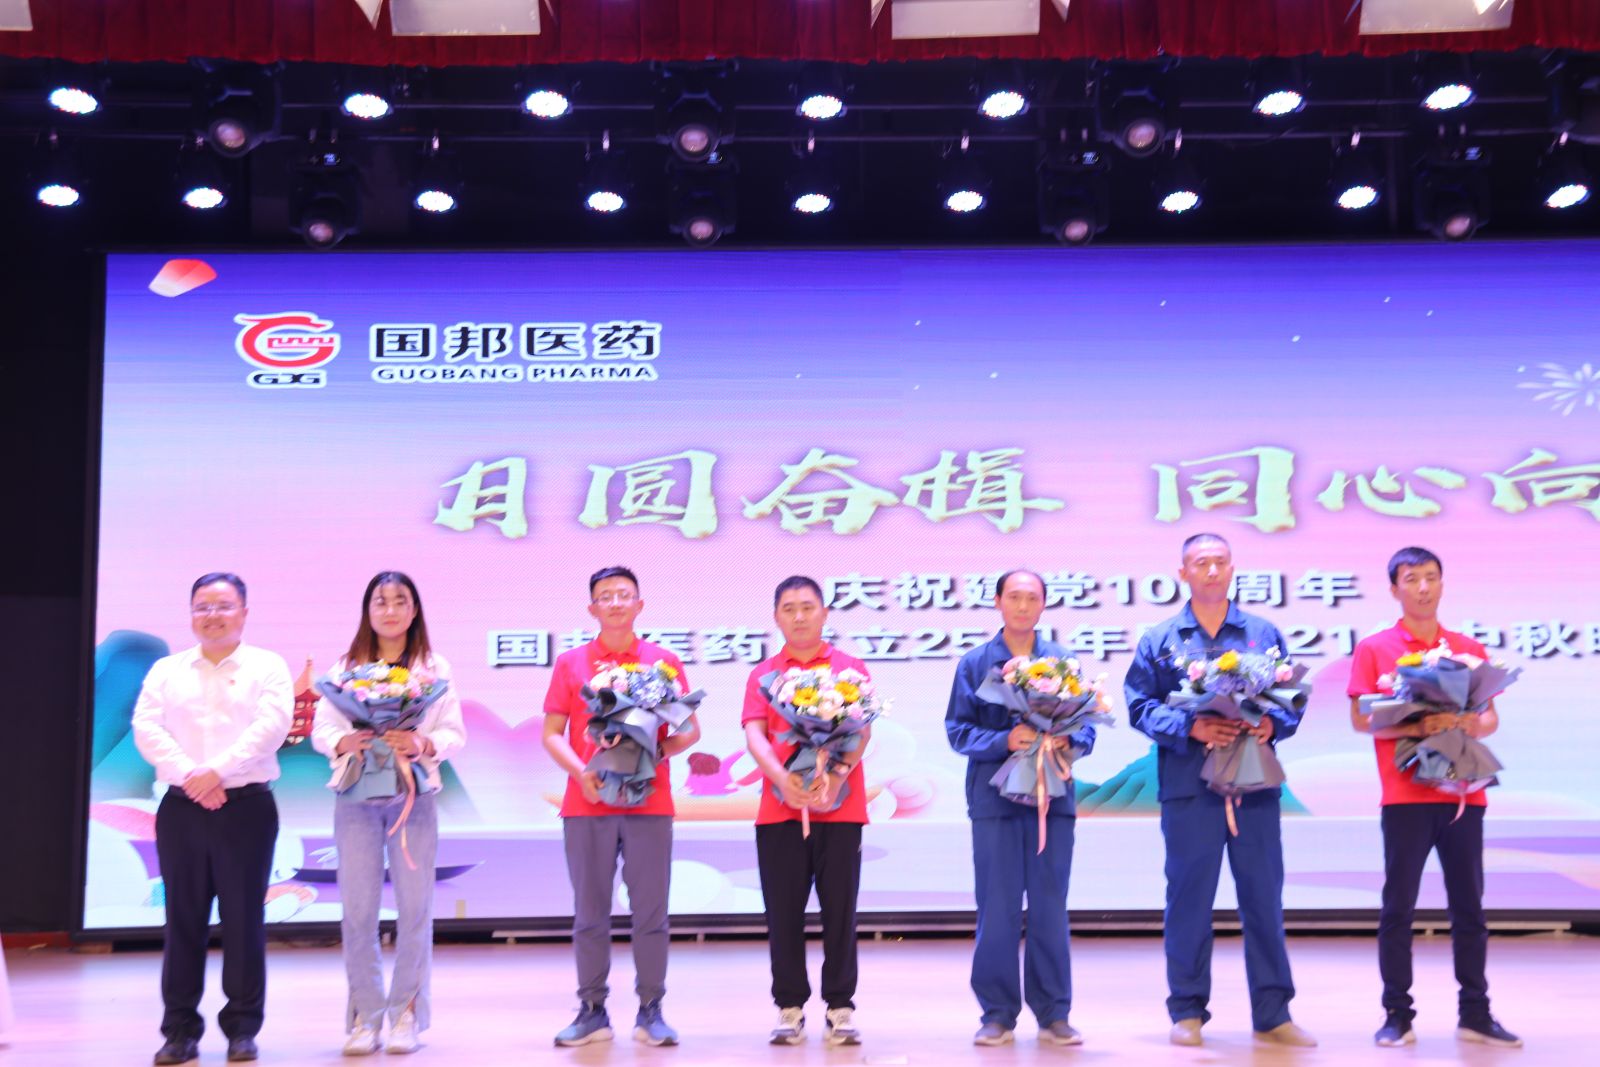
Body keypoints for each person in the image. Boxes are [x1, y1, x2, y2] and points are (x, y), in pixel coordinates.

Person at [1124, 534, 1315, 1048]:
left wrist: (1271, 724)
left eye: (1220, 562)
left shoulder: (1262, 632)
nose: (1211, 570)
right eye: (1200, 563)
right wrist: (1191, 727)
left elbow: (1290, 700)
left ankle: (1273, 1013)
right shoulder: (1161, 639)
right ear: (1182, 572)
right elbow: (1139, 706)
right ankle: (1187, 1011)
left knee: (1263, 898)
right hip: (1190, 788)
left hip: (1254, 785)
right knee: (1188, 900)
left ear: (1233, 569)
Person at [1347, 547, 1521, 1049]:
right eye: (1411, 578)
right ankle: (1397, 1015)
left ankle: (1476, 1013)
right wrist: (1417, 724)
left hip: (1463, 792)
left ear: (1442, 584)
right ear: (1394, 589)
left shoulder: (1466, 648)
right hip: (1404, 795)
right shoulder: (1375, 648)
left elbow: (1490, 718)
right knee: (1398, 908)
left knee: (1469, 908)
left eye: (1430, 577)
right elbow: (1361, 719)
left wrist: (1465, 721)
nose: (1422, 587)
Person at [132, 572, 293, 1065]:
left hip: (246, 808)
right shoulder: (167, 670)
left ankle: (242, 1028)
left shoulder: (268, 666)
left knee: (244, 919)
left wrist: (216, 772)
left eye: (223, 606)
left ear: (244, 612)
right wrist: (192, 776)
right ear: (191, 614)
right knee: (183, 919)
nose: (213, 615)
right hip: (181, 807)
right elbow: (146, 727)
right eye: (203, 606)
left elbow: (271, 727)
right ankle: (179, 1030)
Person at [542, 566, 702, 1047]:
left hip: (649, 802)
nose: (615, 602)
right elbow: (551, 733)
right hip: (587, 801)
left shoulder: (662, 663)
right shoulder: (571, 663)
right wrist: (581, 773)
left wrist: (658, 751)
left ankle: (651, 1010)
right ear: (592, 608)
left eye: (624, 594)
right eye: (606, 596)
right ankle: (592, 1011)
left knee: (651, 912)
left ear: (639, 605)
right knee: (589, 913)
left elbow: (690, 730)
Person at [311, 571, 466, 1056]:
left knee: (415, 910)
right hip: (356, 797)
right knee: (358, 911)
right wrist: (344, 741)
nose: (391, 610)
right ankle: (364, 1016)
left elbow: (453, 733)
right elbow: (321, 730)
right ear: (368, 610)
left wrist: (422, 743)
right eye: (381, 601)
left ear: (414, 610)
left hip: (413, 797)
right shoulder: (346, 668)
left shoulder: (434, 669)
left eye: (401, 601)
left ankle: (406, 1015)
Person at [945, 569, 1095, 1047]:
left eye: (1032, 597)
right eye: (1014, 597)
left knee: (1050, 907)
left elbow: (1088, 728)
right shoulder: (975, 663)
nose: (1023, 605)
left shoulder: (1064, 663)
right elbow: (958, 731)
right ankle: (997, 1014)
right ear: (997, 602)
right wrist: (1004, 740)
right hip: (995, 802)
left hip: (1051, 799)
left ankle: (1054, 1013)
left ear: (1044, 604)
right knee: (997, 908)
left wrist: (1068, 739)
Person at [742, 576, 871, 1047]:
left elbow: (862, 731)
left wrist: (836, 775)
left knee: (840, 912)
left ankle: (840, 1007)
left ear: (824, 613)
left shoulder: (850, 669)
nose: (799, 616)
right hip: (780, 810)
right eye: (789, 608)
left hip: (840, 809)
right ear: (776, 616)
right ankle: (789, 1007)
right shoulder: (763, 675)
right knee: (783, 914)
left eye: (808, 607)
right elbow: (755, 734)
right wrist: (782, 780)